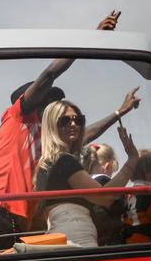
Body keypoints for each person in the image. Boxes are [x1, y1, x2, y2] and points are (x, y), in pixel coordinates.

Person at [0, 10, 141, 254]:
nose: (55, 107)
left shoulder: (50, 141)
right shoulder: (17, 117)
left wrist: (119, 112)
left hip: (20, 220)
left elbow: (87, 133)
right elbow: (50, 74)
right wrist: (89, 40)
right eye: (49, 99)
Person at [32, 99, 139, 247]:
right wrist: (132, 161)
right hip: (77, 237)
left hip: (63, 236)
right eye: (65, 120)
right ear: (52, 125)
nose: (73, 124)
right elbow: (105, 197)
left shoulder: (44, 165)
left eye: (78, 119)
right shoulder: (64, 161)